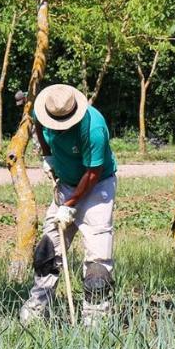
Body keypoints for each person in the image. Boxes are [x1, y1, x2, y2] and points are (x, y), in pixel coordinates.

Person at [18, 83, 119, 324]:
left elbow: (93, 173)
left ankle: (95, 317)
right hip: (66, 185)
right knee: (48, 250)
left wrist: (71, 204)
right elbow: (40, 130)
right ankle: (38, 306)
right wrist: (48, 156)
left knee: (98, 260)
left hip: (98, 189)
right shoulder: (44, 110)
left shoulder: (93, 127)